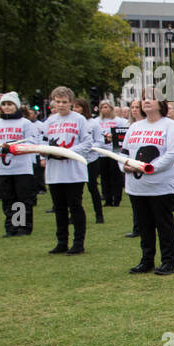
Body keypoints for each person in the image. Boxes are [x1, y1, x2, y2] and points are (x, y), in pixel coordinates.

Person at [123, 94, 174, 275]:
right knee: (144, 225)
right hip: (136, 186)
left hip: (160, 186)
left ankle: (168, 262)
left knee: (163, 224)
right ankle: (146, 260)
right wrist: (124, 166)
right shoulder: (134, 127)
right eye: (144, 99)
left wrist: (149, 168)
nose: (146, 101)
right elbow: (125, 151)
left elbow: (172, 154)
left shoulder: (170, 126)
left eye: (151, 98)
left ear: (161, 103)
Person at [40, 86, 94, 255]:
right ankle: (61, 241)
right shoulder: (49, 121)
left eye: (64, 102)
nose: (61, 105)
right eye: (58, 102)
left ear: (71, 103)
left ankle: (78, 243)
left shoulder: (79, 120)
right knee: (59, 208)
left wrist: (67, 153)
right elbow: (42, 143)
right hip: (54, 172)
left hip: (74, 172)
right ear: (53, 102)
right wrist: (47, 152)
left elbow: (87, 143)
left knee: (75, 207)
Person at [0, 92, 40, 236]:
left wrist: (12, 147)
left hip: (21, 168)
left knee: (22, 198)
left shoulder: (25, 123)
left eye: (9, 104)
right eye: (4, 104)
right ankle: (11, 227)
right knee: (8, 198)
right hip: (3, 168)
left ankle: (23, 227)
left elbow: (32, 143)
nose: (6, 107)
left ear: (16, 105)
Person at [73, 99, 105, 224]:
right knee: (76, 190)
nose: (75, 109)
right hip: (76, 160)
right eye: (73, 107)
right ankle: (74, 216)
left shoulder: (94, 123)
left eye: (77, 107)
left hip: (91, 160)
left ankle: (99, 215)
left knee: (93, 188)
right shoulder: (73, 122)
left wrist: (89, 147)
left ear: (84, 108)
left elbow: (100, 141)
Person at [95, 100, 128, 209]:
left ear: (111, 108)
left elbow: (124, 133)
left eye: (106, 107)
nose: (105, 109)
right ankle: (107, 198)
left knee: (116, 176)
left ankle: (117, 198)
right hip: (102, 152)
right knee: (104, 177)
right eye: (102, 107)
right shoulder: (97, 121)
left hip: (115, 152)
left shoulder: (120, 121)